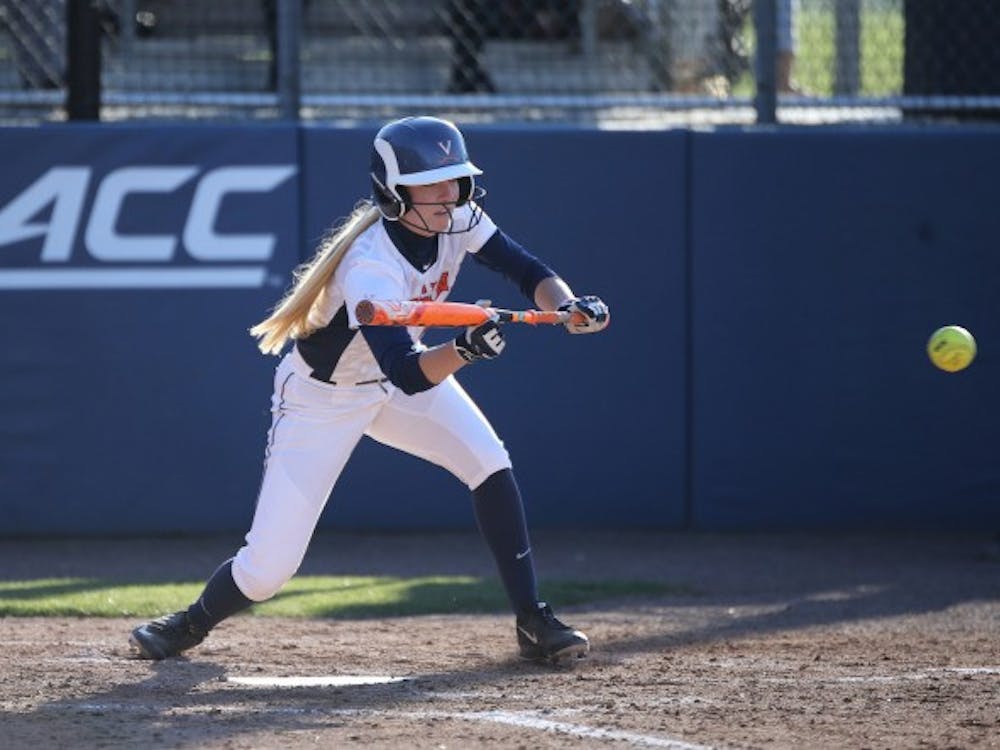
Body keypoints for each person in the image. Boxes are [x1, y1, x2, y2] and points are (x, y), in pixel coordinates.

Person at [128, 115, 610, 664]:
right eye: (431, 184)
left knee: (489, 463)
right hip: (324, 400)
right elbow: (406, 370)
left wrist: (565, 306)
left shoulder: (459, 218)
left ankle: (533, 620)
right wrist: (465, 351)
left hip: (400, 378)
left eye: (454, 180)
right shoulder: (370, 265)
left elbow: (527, 271)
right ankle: (189, 623)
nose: (448, 194)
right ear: (394, 194)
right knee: (268, 570)